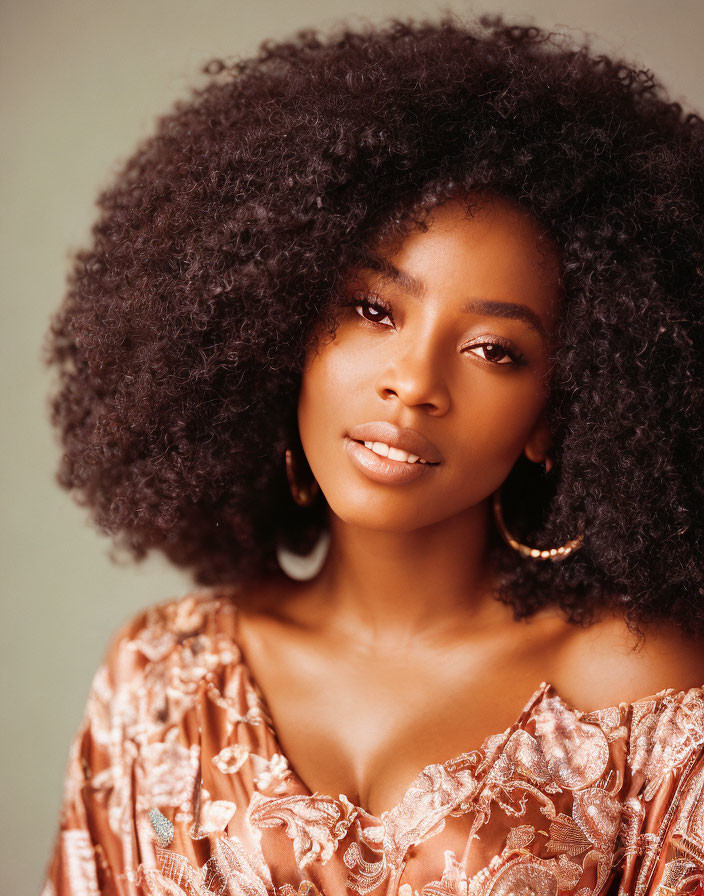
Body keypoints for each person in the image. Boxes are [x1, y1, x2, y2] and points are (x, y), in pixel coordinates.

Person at [40, 13, 704, 896]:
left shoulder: (636, 694)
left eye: (496, 351)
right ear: (280, 328)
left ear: (558, 413)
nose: (415, 383)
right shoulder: (161, 676)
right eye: (374, 311)